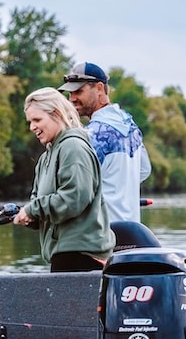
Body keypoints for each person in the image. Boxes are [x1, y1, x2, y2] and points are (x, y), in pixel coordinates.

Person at [12, 87, 115, 272]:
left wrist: (33, 210)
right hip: (63, 256)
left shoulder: (73, 147)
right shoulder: (45, 159)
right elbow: (40, 203)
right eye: (30, 121)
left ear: (57, 114)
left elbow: (74, 198)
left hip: (81, 257)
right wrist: (30, 217)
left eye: (37, 120)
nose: (32, 127)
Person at [59, 62, 151, 222]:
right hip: (131, 230)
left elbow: (75, 187)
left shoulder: (92, 134)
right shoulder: (130, 125)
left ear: (100, 88)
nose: (72, 99)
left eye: (78, 91)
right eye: (70, 93)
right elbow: (144, 171)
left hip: (102, 236)